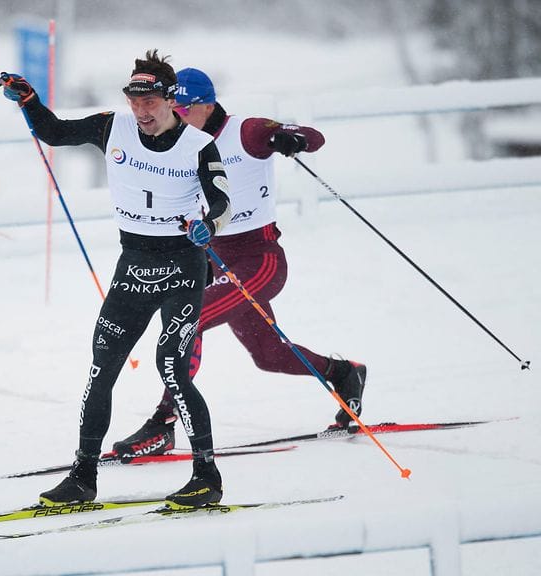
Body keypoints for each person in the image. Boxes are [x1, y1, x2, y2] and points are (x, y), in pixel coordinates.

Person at [0, 50, 232, 509]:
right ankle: (83, 478)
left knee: (171, 366)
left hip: (182, 266)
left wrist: (211, 225)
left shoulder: (198, 144)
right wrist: (28, 101)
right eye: (134, 101)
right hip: (135, 264)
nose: (141, 111)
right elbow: (56, 132)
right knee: (102, 368)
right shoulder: (112, 127)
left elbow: (222, 201)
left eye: (150, 102)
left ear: (170, 101)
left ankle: (207, 476)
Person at [110, 67, 367, 460]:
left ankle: (163, 424)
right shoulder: (175, 142)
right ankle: (342, 373)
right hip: (213, 261)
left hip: (259, 260)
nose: (173, 115)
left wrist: (289, 137)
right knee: (269, 355)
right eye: (170, 107)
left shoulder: (243, 131)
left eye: (181, 107)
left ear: (206, 105)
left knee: (188, 317)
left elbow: (311, 137)